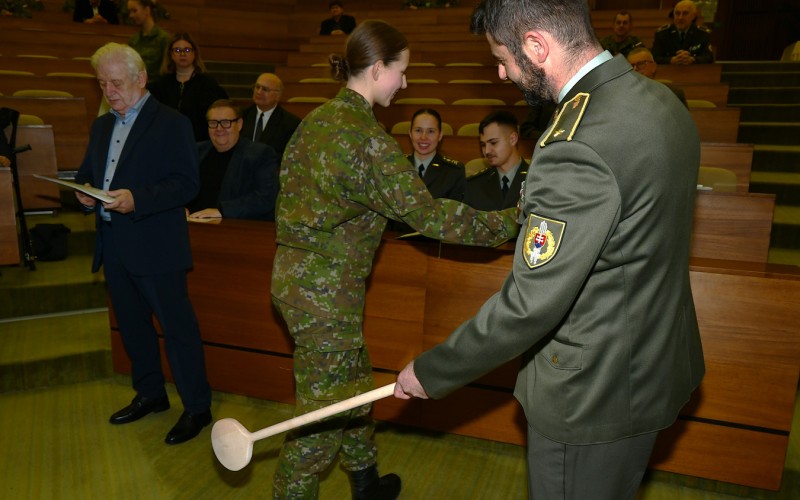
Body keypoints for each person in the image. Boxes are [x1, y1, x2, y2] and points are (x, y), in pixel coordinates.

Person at [394, 1, 705, 499]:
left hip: (591, 395)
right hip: (652, 364)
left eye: (502, 58)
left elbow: (529, 305)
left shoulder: (575, 144)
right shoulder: (662, 101)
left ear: (537, 45)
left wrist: (434, 370)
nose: (500, 72)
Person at [271, 19, 519, 499]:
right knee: (319, 426)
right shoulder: (368, 141)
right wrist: (512, 222)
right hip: (327, 295)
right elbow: (430, 217)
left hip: (297, 284)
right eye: (401, 72)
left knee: (356, 384)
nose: (405, 84)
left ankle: (365, 482)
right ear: (379, 68)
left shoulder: (314, 121)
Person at [73, 42, 212, 446]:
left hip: (157, 245)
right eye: (102, 83)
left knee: (177, 329)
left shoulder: (171, 123)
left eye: (116, 82)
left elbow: (188, 183)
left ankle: (197, 407)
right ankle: (151, 394)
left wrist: (138, 199)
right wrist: (83, 194)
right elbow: (88, 176)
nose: (109, 91)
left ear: (141, 78)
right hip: (113, 244)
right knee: (133, 328)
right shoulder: (101, 126)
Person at [188, 99, 279, 221]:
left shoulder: (260, 154)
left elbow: (267, 197)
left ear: (239, 124)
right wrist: (181, 207)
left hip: (233, 229)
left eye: (226, 122)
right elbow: (181, 185)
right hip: (191, 224)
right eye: (213, 122)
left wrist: (221, 211)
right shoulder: (196, 151)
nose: (219, 128)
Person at [388, 107, 466, 234]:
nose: (423, 137)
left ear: (440, 135)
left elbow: (453, 220)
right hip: (397, 243)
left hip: (436, 244)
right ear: (410, 133)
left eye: (431, 131)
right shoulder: (396, 167)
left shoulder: (453, 172)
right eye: (418, 130)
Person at [148, 32, 228, 141]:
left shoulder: (208, 84)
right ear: (170, 54)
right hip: (166, 141)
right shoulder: (161, 84)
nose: (182, 54)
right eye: (177, 50)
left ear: (194, 53)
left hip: (199, 143)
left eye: (187, 50)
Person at [463, 110, 528, 212]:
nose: (487, 151)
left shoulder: (537, 180)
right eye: (483, 145)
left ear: (513, 139)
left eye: (493, 143)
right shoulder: (474, 185)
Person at [240, 73, 302, 165]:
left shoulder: (291, 124)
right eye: (257, 87)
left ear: (278, 95)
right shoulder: (240, 116)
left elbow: (289, 156)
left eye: (265, 89)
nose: (259, 92)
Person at [651, 0, 714, 65]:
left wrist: (692, 59)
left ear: (694, 16)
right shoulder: (662, 34)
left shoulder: (702, 34)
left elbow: (709, 58)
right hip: (669, 72)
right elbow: (654, 58)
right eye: (677, 13)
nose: (680, 17)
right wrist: (671, 60)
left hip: (694, 72)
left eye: (685, 13)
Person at [126, 0, 170, 82]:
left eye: (134, 11)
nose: (131, 15)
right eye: (130, 12)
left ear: (147, 10)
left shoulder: (163, 38)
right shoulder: (133, 40)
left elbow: (167, 70)